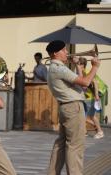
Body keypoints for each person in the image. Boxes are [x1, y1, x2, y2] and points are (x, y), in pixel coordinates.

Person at [46, 40, 100, 175]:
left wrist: (78, 66)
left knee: (61, 145)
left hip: (67, 108)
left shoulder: (54, 68)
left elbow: (81, 86)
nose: (67, 53)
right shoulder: (60, 68)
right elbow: (86, 82)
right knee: (75, 145)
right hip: (73, 108)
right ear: (55, 53)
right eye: (64, 50)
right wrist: (94, 67)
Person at [78, 57, 104, 139]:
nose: (77, 65)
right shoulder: (82, 72)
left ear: (82, 65)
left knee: (91, 116)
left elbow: (95, 82)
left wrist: (96, 95)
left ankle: (100, 131)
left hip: (90, 98)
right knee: (83, 116)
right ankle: (85, 132)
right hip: (87, 97)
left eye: (78, 64)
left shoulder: (85, 72)